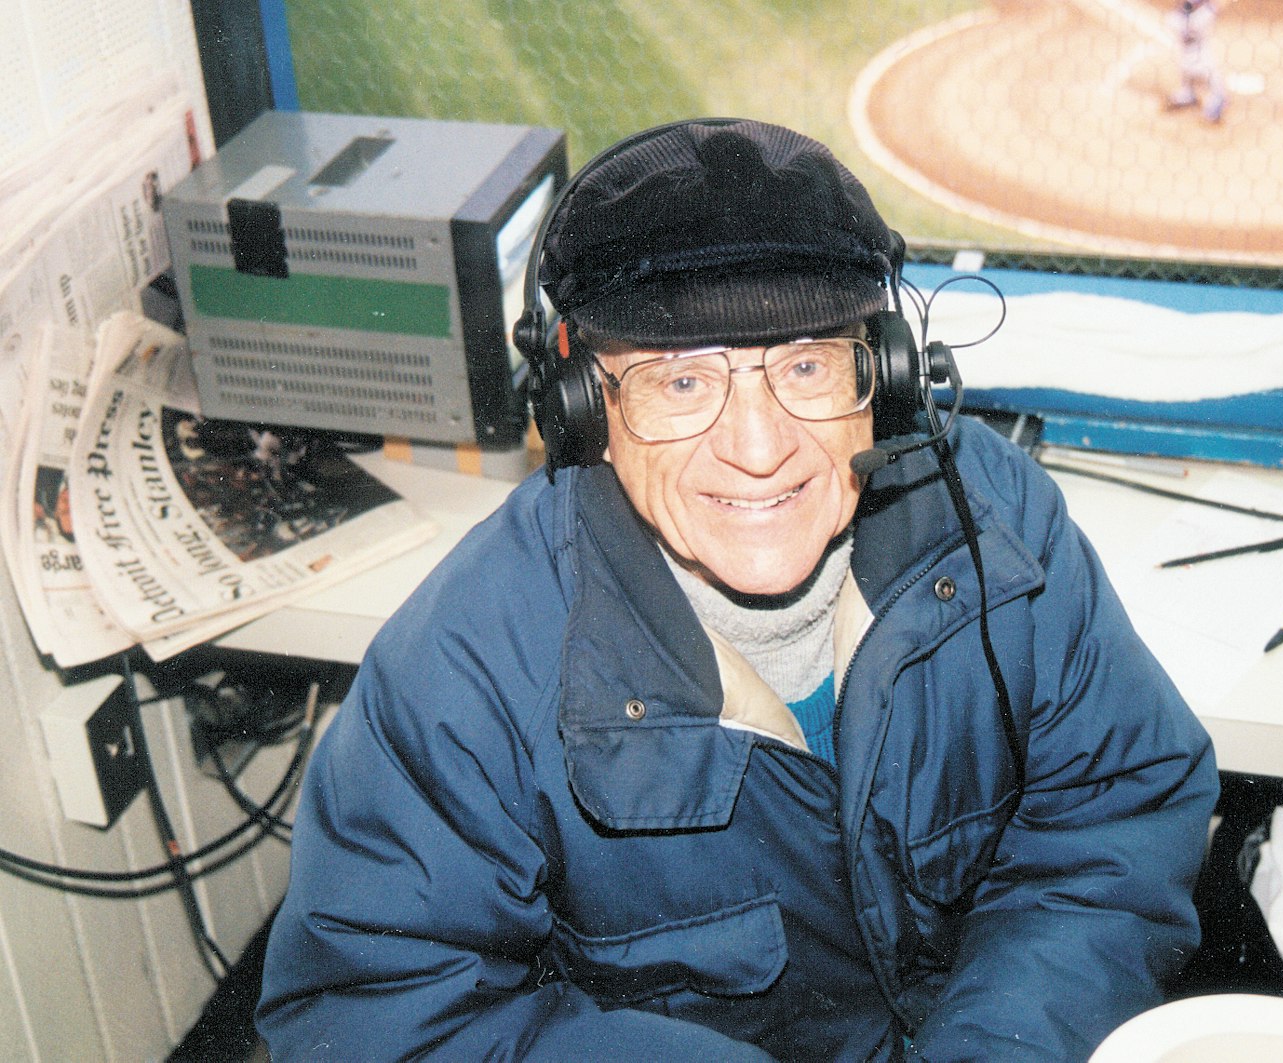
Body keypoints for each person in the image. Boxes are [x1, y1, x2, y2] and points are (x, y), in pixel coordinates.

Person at [256, 117, 1218, 1061]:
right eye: (680, 383)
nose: (758, 452)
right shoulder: (463, 668)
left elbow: (1116, 811)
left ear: (880, 374)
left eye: (804, 366)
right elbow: (370, 1019)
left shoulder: (1000, 523)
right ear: (587, 405)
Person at [1166, 0, 1229, 124]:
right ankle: (1212, 113)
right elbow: (1216, 5)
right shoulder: (1202, 18)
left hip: (1184, 64)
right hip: (1204, 65)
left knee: (1187, 85)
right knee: (1219, 93)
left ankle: (1187, 95)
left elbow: (1180, 9)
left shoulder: (1173, 19)